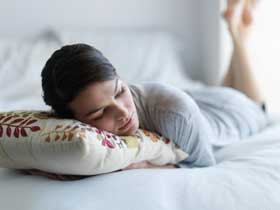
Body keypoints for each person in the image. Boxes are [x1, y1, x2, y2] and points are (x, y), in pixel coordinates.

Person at [40, 0, 268, 172]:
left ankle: (237, 34)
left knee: (257, 107)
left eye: (120, 91)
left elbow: (203, 165)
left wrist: (148, 165)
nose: (122, 111)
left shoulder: (174, 113)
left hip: (231, 111)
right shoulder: (68, 121)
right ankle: (235, 27)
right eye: (99, 112)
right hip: (202, 101)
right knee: (224, 90)